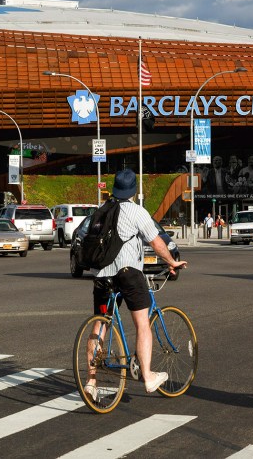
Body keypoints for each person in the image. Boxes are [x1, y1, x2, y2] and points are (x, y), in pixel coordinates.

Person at [85, 168, 188, 398]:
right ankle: (149, 377)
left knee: (100, 325)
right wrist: (172, 262)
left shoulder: (101, 211)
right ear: (133, 191)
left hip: (102, 276)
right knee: (142, 324)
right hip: (128, 273)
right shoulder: (136, 212)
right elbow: (158, 242)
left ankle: (91, 382)